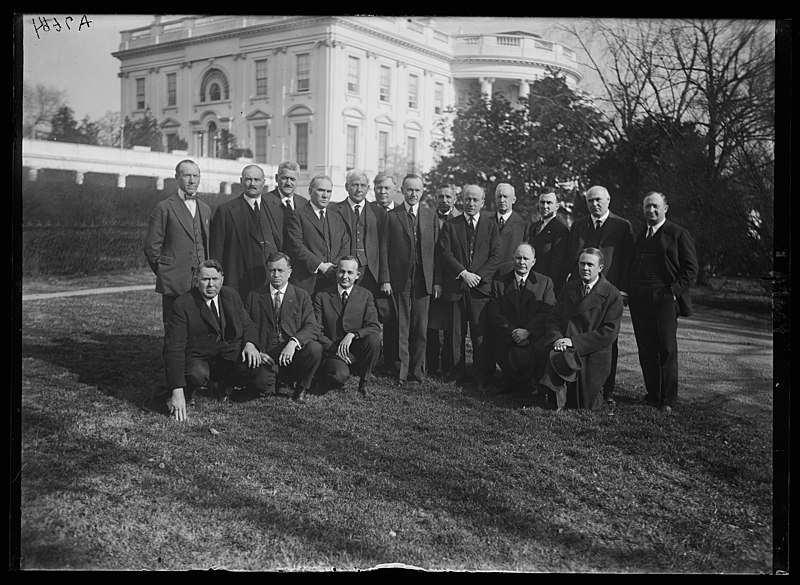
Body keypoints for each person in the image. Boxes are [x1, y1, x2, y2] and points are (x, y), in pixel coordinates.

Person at [161, 259, 264, 422]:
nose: (210, 285)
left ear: (222, 279)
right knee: (197, 374)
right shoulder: (182, 304)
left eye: (215, 279)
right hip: (197, 357)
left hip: (224, 355)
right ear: (196, 281)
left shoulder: (230, 295)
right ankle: (191, 390)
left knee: (255, 363)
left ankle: (222, 387)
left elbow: (248, 324)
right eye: (205, 279)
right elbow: (173, 349)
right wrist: (176, 390)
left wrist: (251, 345)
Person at [624, 192, 698, 414]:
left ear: (666, 208)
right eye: (647, 206)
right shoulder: (641, 235)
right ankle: (652, 394)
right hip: (640, 300)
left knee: (666, 350)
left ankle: (668, 399)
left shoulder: (678, 234)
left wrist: (673, 292)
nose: (651, 211)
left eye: (655, 206)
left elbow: (691, 268)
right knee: (646, 348)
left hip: (664, 300)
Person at [565, 185, 633, 409]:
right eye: (590, 201)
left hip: (608, 292)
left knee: (607, 340)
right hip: (582, 289)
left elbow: (625, 258)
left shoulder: (622, 226)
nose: (594, 204)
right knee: (579, 333)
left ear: (608, 200)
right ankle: (578, 383)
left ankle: (608, 389)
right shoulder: (579, 225)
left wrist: (623, 289)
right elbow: (571, 256)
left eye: (598, 200)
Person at [540, 248, 623, 411]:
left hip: (593, 353)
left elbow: (609, 332)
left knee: (585, 405)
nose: (585, 268)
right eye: (582, 263)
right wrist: (557, 338)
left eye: (590, 264)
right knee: (554, 401)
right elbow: (554, 318)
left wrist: (573, 341)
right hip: (565, 347)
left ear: (600, 268)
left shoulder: (612, 294)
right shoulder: (569, 288)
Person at [435, 184, 501, 388]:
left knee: (480, 334)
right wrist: (463, 274)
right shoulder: (451, 225)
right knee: (455, 334)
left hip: (479, 290)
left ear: (482, 202)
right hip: (456, 287)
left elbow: (496, 256)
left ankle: (480, 376)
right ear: (461, 200)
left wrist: (477, 277)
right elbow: (445, 253)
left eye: (475, 200)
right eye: (467, 199)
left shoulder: (491, 226)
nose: (471, 203)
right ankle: (456, 373)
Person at [379, 174, 438, 386]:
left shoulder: (430, 216)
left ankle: (417, 371)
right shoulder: (392, 216)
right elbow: (384, 249)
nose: (413, 194)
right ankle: (401, 372)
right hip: (399, 279)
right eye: (410, 190)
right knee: (401, 327)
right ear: (402, 191)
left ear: (423, 192)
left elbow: (436, 252)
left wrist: (436, 281)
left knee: (420, 328)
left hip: (424, 279)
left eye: (417, 191)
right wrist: (385, 279)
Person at [244, 252, 322, 404]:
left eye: (281, 270)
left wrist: (293, 342)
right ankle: (275, 379)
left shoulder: (301, 295)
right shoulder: (254, 295)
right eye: (272, 270)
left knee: (315, 348)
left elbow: (312, 326)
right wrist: (255, 349)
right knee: (263, 387)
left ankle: (301, 388)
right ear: (267, 272)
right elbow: (247, 325)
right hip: (267, 354)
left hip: (293, 353)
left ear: (290, 272)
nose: (276, 274)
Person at [144, 159, 211, 326]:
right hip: (174, 282)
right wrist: (166, 272)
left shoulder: (205, 209)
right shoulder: (164, 207)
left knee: (199, 329)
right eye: (187, 175)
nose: (192, 180)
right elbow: (152, 248)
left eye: (195, 176)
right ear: (176, 178)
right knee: (175, 330)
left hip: (201, 283)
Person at [488, 243, 556, 394]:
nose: (522, 262)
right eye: (518, 258)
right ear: (513, 259)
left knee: (541, 348)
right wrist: (514, 332)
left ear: (534, 261)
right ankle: (511, 381)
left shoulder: (545, 283)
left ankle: (533, 382)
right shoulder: (499, 282)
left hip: (534, 334)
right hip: (508, 333)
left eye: (526, 258)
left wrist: (528, 331)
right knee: (499, 344)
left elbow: (548, 311)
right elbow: (494, 313)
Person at [313, 256, 382, 397]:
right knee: (340, 376)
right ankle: (320, 377)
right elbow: (316, 330)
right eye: (341, 271)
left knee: (374, 340)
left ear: (357, 275)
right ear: (336, 272)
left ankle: (364, 383)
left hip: (355, 347)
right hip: (332, 349)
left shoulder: (365, 295)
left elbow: (374, 326)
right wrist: (336, 350)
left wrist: (353, 335)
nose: (345, 276)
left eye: (350, 273)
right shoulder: (322, 296)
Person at [209, 164, 280, 300]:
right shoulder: (225, 211)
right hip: (237, 284)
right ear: (241, 181)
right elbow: (216, 253)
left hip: (267, 284)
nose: (252, 183)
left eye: (257, 180)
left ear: (264, 182)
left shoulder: (275, 211)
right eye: (248, 179)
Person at [285, 175, 351, 296]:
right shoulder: (297, 215)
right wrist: (320, 266)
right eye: (321, 190)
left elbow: (345, 243)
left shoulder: (336, 217)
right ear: (310, 191)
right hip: (307, 282)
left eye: (328, 191)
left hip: (333, 281)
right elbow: (296, 246)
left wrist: (334, 266)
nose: (325, 195)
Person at [426, 185, 461, 379]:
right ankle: (430, 364)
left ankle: (449, 365)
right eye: (441, 196)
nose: (444, 200)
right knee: (431, 324)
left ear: (455, 199)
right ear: (435, 198)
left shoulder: (461, 220)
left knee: (451, 326)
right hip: (433, 278)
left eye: (449, 197)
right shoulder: (430, 218)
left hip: (454, 279)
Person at [336, 170, 386, 298]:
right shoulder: (334, 211)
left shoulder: (378, 212)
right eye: (355, 185)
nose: (359, 189)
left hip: (371, 271)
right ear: (347, 187)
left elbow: (384, 246)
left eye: (363, 186)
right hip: (344, 270)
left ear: (368, 188)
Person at [525, 188, 569, 297]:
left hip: (546, 287)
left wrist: (546, 289)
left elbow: (557, 265)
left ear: (557, 206)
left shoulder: (560, 230)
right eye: (542, 202)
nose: (545, 206)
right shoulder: (534, 226)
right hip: (530, 282)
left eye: (549, 203)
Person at [263, 160, 307, 252]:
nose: (288, 183)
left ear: (297, 181)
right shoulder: (264, 202)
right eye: (284, 178)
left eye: (292, 179)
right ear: (276, 178)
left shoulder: (303, 203)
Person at [491, 183, 529, 278]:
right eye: (499, 196)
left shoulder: (523, 226)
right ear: (495, 199)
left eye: (506, 197)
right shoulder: (485, 223)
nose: (502, 200)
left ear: (513, 200)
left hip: (509, 279)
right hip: (487, 278)